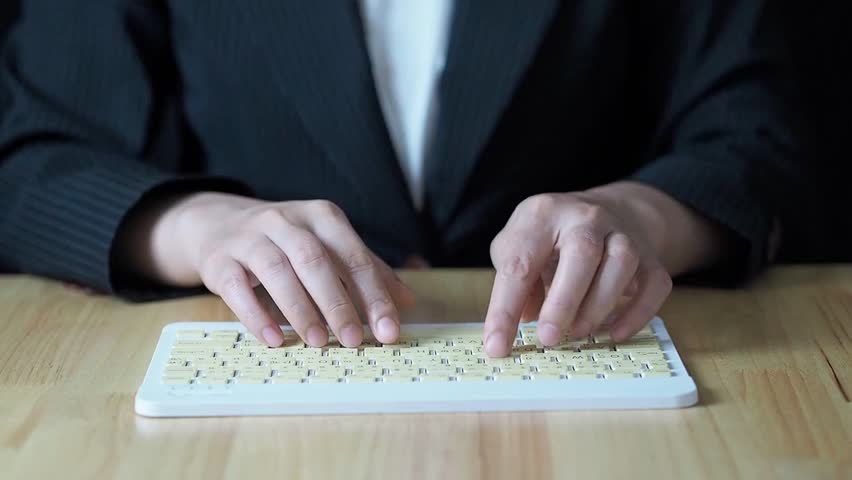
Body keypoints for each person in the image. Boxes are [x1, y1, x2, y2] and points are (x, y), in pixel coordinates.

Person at [0, 1, 800, 357]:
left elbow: (760, 127)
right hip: (268, 379)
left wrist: (643, 217)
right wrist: (195, 226)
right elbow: (30, 157)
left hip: (581, 368)